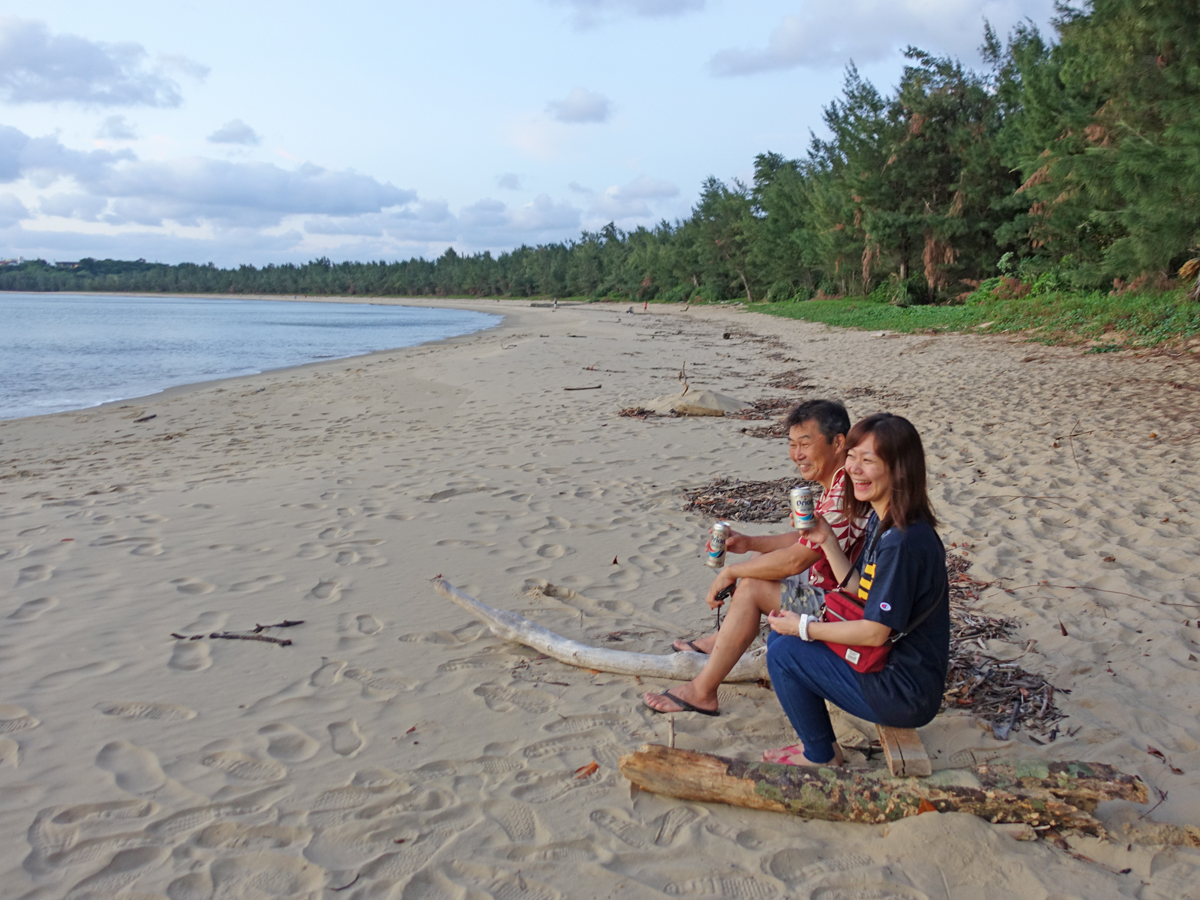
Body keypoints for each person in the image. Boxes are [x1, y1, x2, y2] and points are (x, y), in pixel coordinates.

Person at [642, 400, 868, 716]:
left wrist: (732, 572)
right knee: (758, 567)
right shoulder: (837, 484)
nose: (797, 454)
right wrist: (751, 542)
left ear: (839, 442)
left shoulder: (846, 491)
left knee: (751, 586)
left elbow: (796, 560)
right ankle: (722, 640)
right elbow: (807, 542)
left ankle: (702, 691)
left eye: (806, 443)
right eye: (792, 444)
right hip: (832, 589)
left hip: (841, 607)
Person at [763, 413, 949, 766]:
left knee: (783, 645)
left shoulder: (902, 541)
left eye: (868, 461)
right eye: (852, 457)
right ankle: (822, 746)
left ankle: (820, 756)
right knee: (780, 635)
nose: (854, 469)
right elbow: (861, 591)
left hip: (901, 687)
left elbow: (875, 632)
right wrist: (828, 541)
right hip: (883, 656)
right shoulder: (885, 518)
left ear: (900, 470)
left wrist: (802, 627)